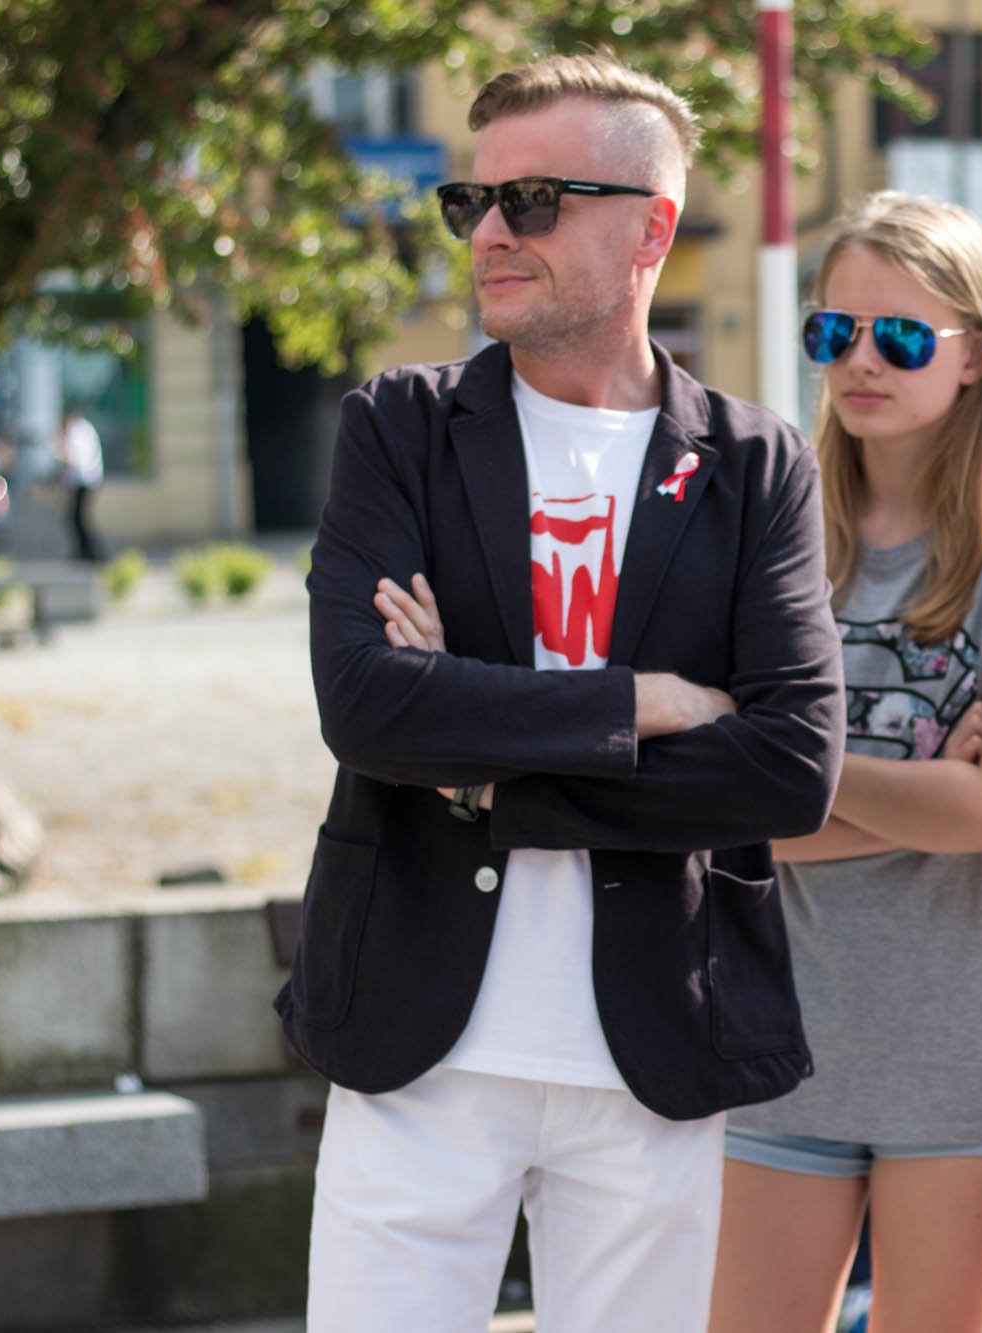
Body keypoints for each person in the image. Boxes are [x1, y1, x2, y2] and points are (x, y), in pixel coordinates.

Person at [284, 55, 845, 1331]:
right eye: (471, 201)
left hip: (654, 1042)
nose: (489, 231)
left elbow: (788, 767)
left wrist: (482, 765)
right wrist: (639, 701)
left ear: (650, 229)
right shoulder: (399, 426)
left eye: (531, 200)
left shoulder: (754, 464)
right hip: (414, 1036)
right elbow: (365, 705)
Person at [706, 191, 982, 1333]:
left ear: (974, 355)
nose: (860, 361)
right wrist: (929, 791)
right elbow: (712, 812)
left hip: (961, 1048)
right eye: (833, 332)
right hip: (777, 1032)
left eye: (901, 337)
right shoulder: (769, 534)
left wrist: (790, 763)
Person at [52, 406, 105, 562]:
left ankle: (92, 553)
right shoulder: (84, 429)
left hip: (83, 480)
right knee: (77, 518)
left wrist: (57, 448)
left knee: (78, 519)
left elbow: (73, 459)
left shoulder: (77, 432)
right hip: (86, 480)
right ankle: (86, 552)